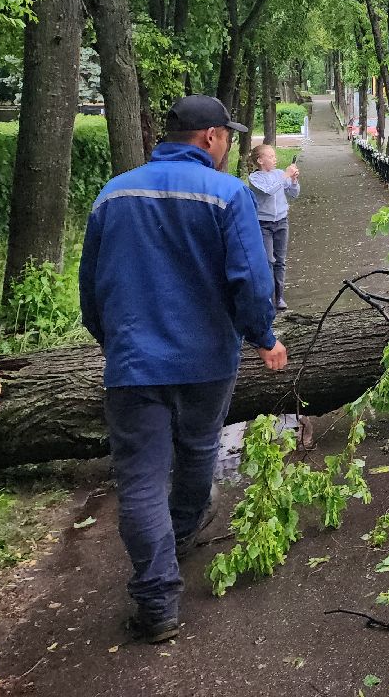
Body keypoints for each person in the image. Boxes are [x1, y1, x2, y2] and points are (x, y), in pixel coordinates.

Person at [79, 94, 287, 644]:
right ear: (209, 138)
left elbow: (90, 287)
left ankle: (156, 603)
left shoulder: (113, 192)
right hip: (206, 363)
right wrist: (263, 337)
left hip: (134, 364)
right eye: (227, 137)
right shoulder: (227, 193)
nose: (228, 146)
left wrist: (117, 342)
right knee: (197, 453)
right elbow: (251, 278)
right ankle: (180, 538)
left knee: (141, 480)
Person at [247, 143, 301, 310]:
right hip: (263, 224)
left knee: (280, 261)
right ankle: (268, 298)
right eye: (270, 156)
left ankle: (279, 297)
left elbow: (294, 194)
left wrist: (293, 180)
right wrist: (285, 175)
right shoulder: (254, 179)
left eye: (274, 156)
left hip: (282, 222)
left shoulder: (278, 174)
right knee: (268, 261)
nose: (275, 159)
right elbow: (268, 191)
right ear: (260, 160)